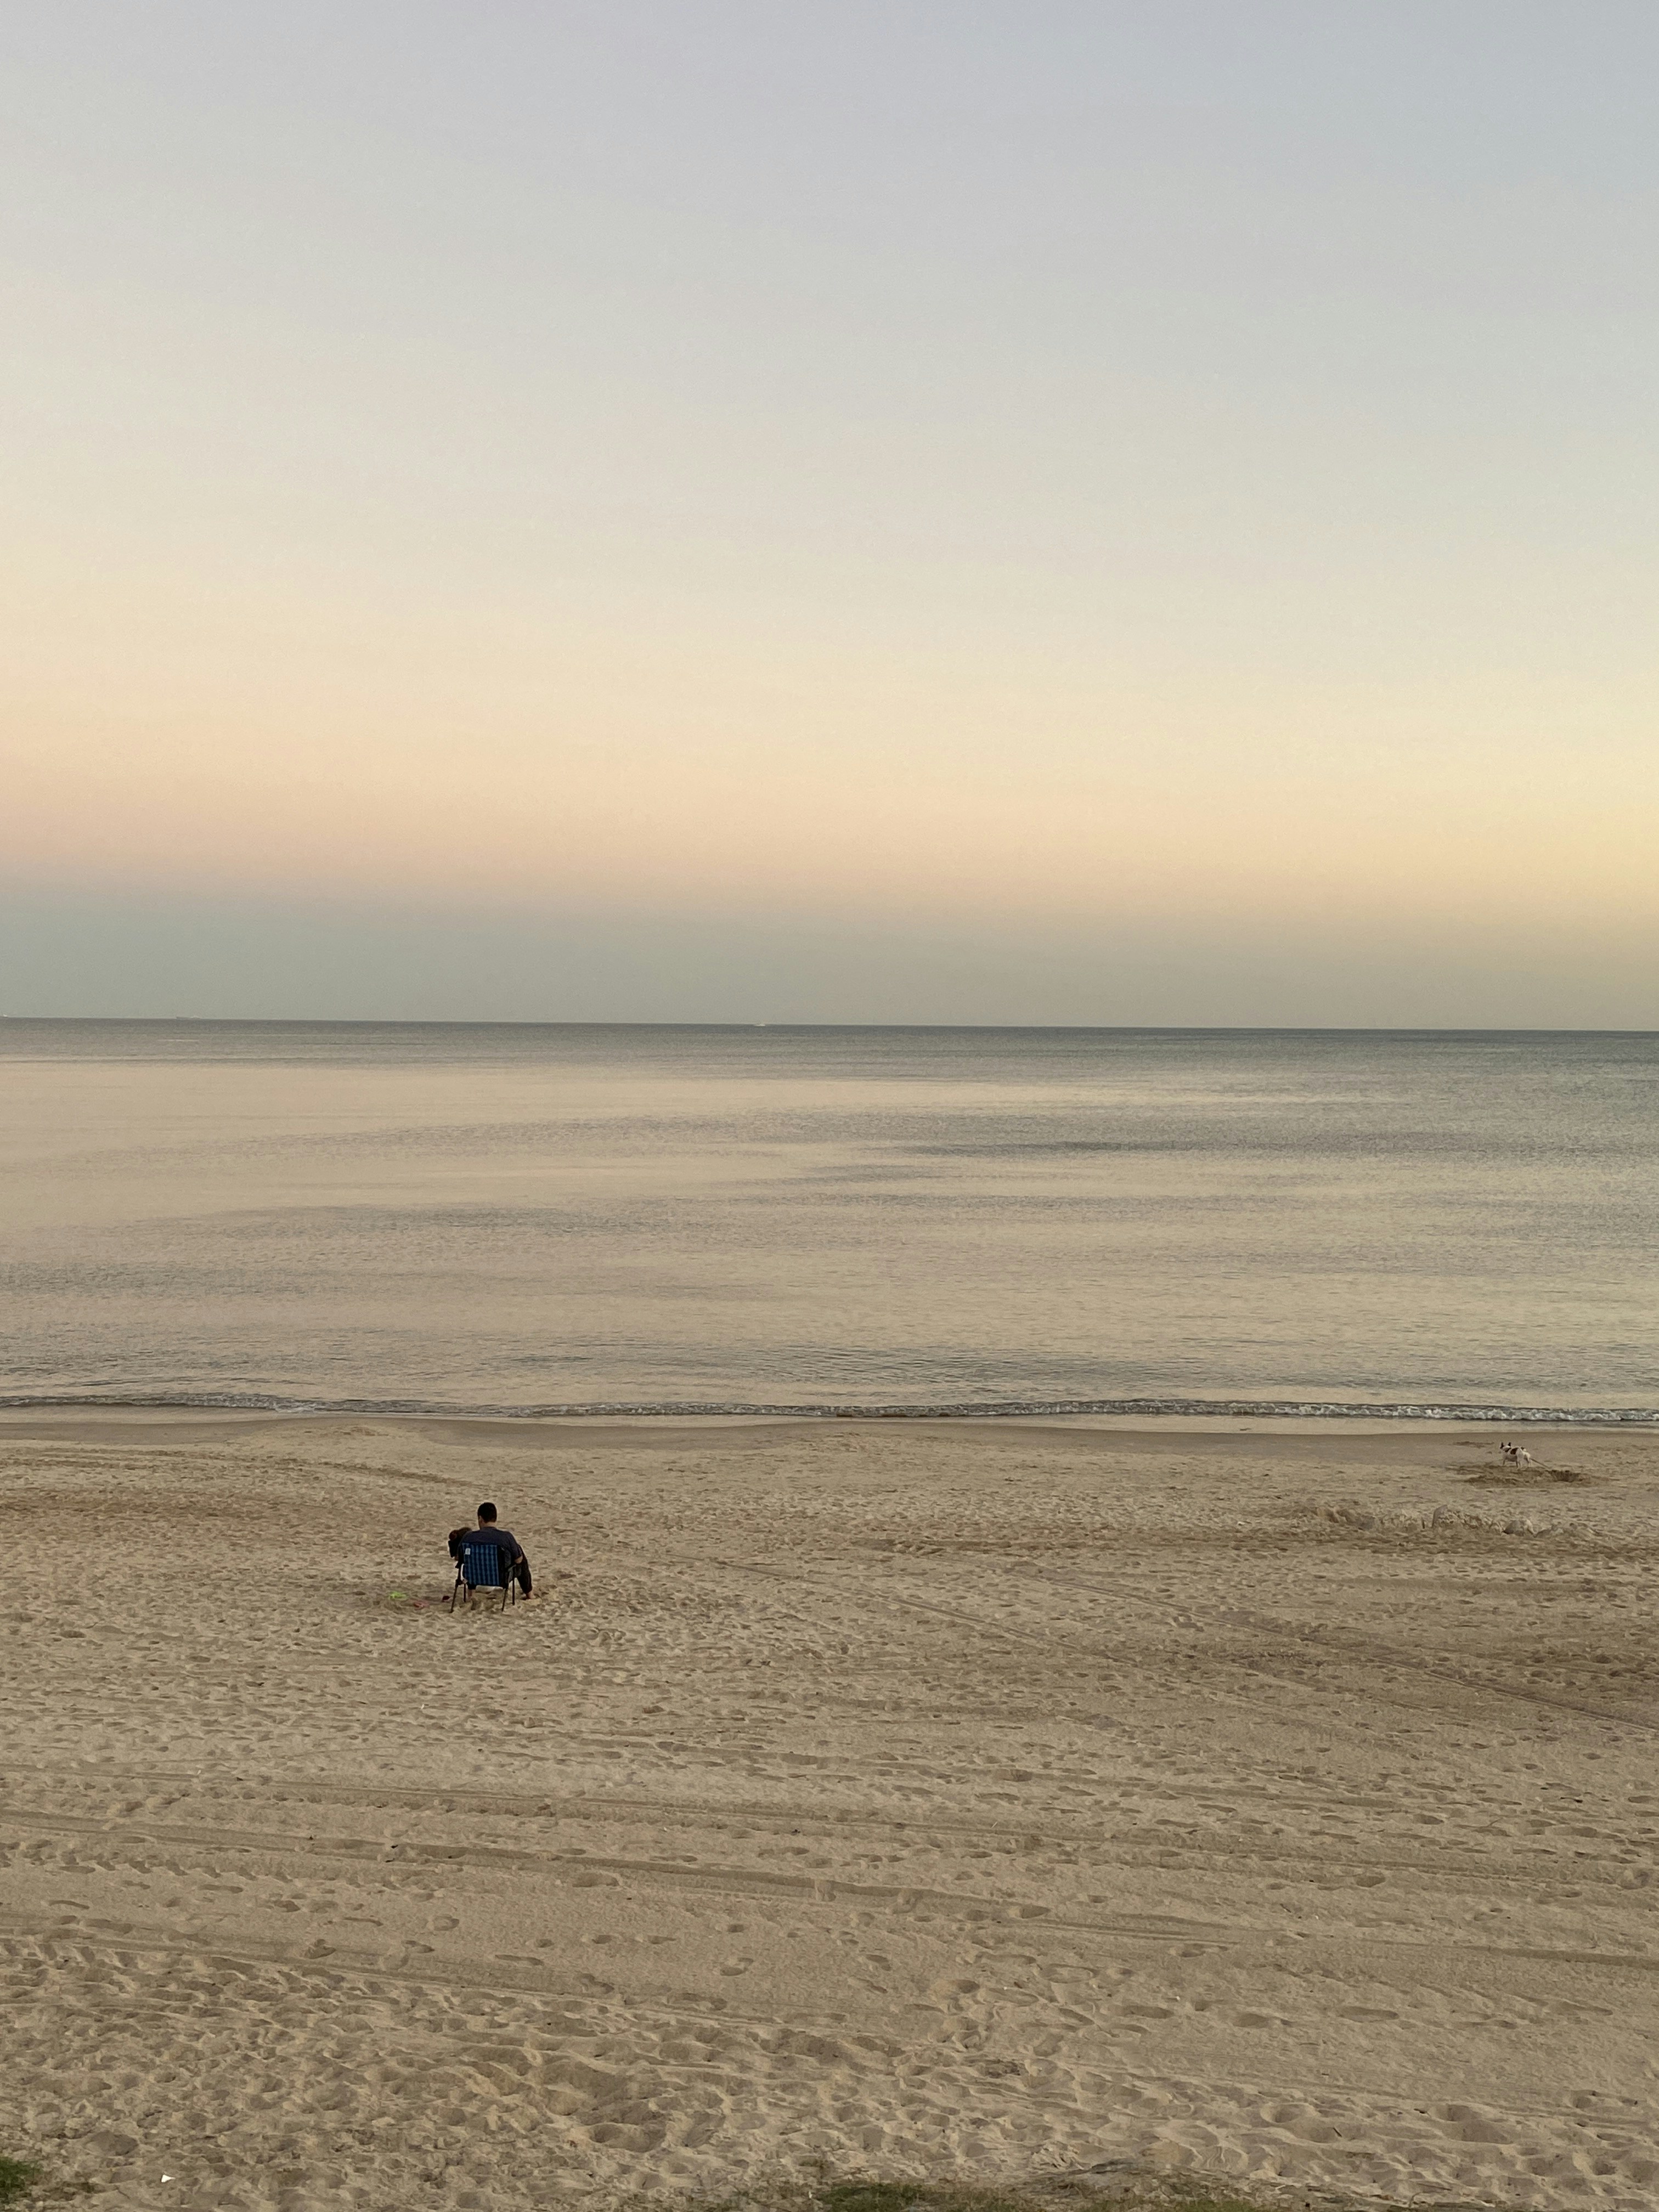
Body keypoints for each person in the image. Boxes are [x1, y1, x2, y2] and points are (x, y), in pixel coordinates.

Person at [447, 1502, 533, 1596]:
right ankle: (530, 1595)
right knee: (521, 1557)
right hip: (500, 1578)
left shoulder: (468, 1537)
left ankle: (471, 1595)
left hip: (473, 1577)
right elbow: (518, 1560)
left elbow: (458, 1558)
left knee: (472, 1562)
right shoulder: (506, 1537)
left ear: (480, 1519)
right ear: (495, 1518)